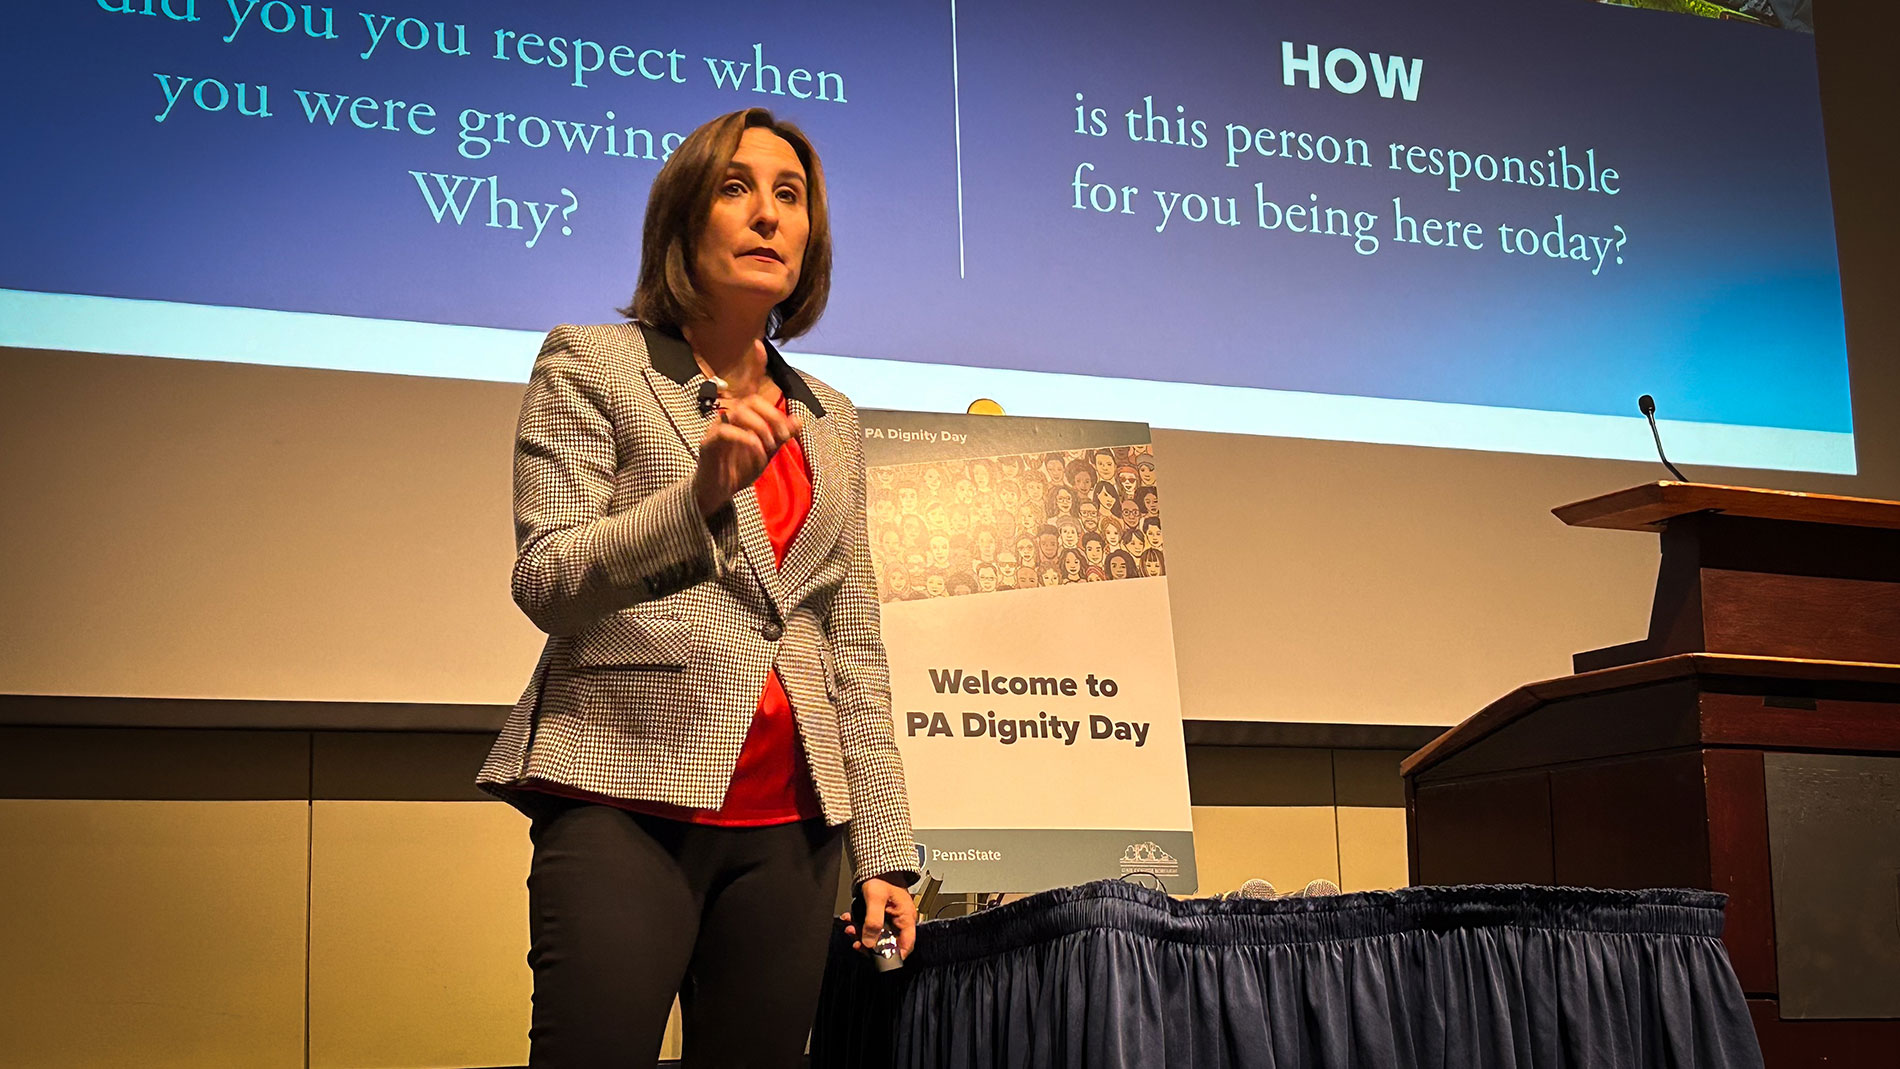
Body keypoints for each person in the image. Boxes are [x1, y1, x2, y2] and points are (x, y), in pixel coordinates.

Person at [477, 108, 918, 1068]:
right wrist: (699, 498)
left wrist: (886, 849)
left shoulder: (829, 416)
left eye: (790, 196)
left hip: (794, 829)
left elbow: (854, 641)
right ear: (684, 220)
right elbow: (547, 577)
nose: (768, 215)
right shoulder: (594, 363)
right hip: (622, 802)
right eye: (736, 189)